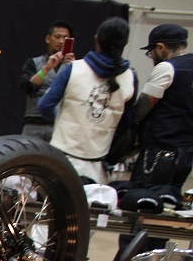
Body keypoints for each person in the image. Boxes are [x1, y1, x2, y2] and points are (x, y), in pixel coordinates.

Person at [38, 17, 136, 184]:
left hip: (62, 159)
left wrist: (63, 120)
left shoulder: (74, 68)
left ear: (96, 39)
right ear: (125, 43)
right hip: (98, 166)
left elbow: (44, 106)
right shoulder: (130, 77)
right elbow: (125, 123)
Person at [132, 24, 193, 191]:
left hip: (159, 152)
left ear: (161, 47)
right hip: (187, 152)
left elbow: (143, 108)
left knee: (143, 198)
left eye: (150, 52)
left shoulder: (167, 67)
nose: (151, 56)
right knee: (170, 199)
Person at [20, 20, 75, 141]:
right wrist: (46, 69)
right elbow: (28, 88)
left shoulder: (76, 66)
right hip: (33, 125)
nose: (61, 41)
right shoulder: (33, 63)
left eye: (65, 38)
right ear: (48, 39)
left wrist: (75, 68)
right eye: (57, 37)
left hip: (60, 125)